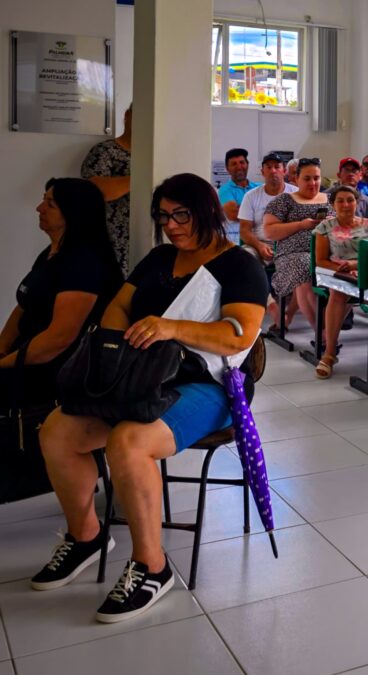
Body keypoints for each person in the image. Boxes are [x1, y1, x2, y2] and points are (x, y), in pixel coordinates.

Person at [33, 173, 267, 623]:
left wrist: (169, 326)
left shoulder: (240, 265)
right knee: (58, 430)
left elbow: (238, 336)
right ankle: (87, 536)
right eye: (164, 217)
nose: (173, 226)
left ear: (208, 212)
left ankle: (152, 566)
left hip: (208, 385)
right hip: (141, 376)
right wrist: (119, 342)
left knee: (129, 441)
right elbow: (119, 306)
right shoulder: (160, 258)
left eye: (182, 215)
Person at [0, 179, 123, 406]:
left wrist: (6, 363)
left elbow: (59, 339)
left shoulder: (85, 263)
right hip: (26, 359)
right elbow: (24, 304)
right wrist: (2, 348)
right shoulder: (51, 253)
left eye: (50, 204)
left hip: (57, 371)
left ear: (73, 213)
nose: (39, 208)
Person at [312, 185, 368, 378]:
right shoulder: (325, 226)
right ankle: (329, 353)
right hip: (334, 271)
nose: (346, 204)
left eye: (350, 200)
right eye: (340, 200)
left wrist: (356, 266)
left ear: (357, 202)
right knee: (338, 292)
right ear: (333, 204)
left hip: (364, 271)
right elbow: (321, 260)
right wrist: (346, 269)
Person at [263, 158, 330, 336]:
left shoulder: (330, 200)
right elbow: (269, 231)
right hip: (293, 254)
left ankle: (330, 326)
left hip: (328, 253)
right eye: (307, 178)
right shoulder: (284, 201)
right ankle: (322, 333)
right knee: (304, 266)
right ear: (296, 179)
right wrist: (301, 225)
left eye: (316, 178)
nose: (312, 183)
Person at [239, 153, 299, 328]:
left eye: (277, 167)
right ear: (262, 171)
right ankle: (271, 305)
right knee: (244, 260)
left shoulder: (296, 194)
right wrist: (259, 245)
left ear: (284, 171)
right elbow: (244, 230)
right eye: (269, 167)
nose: (273, 171)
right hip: (259, 243)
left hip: (289, 244)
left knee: (305, 267)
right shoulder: (252, 196)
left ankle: (287, 316)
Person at [82, 104, 132, 272]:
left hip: (151, 238)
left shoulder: (158, 154)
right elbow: (97, 191)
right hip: (111, 243)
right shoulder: (105, 151)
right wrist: (142, 177)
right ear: (127, 116)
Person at [217, 148, 261, 245]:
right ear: (227, 169)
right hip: (241, 242)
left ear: (247, 165)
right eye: (234, 164)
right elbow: (234, 215)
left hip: (265, 238)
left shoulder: (260, 187)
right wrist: (261, 210)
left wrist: (244, 209)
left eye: (242, 162)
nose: (239, 167)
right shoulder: (225, 190)